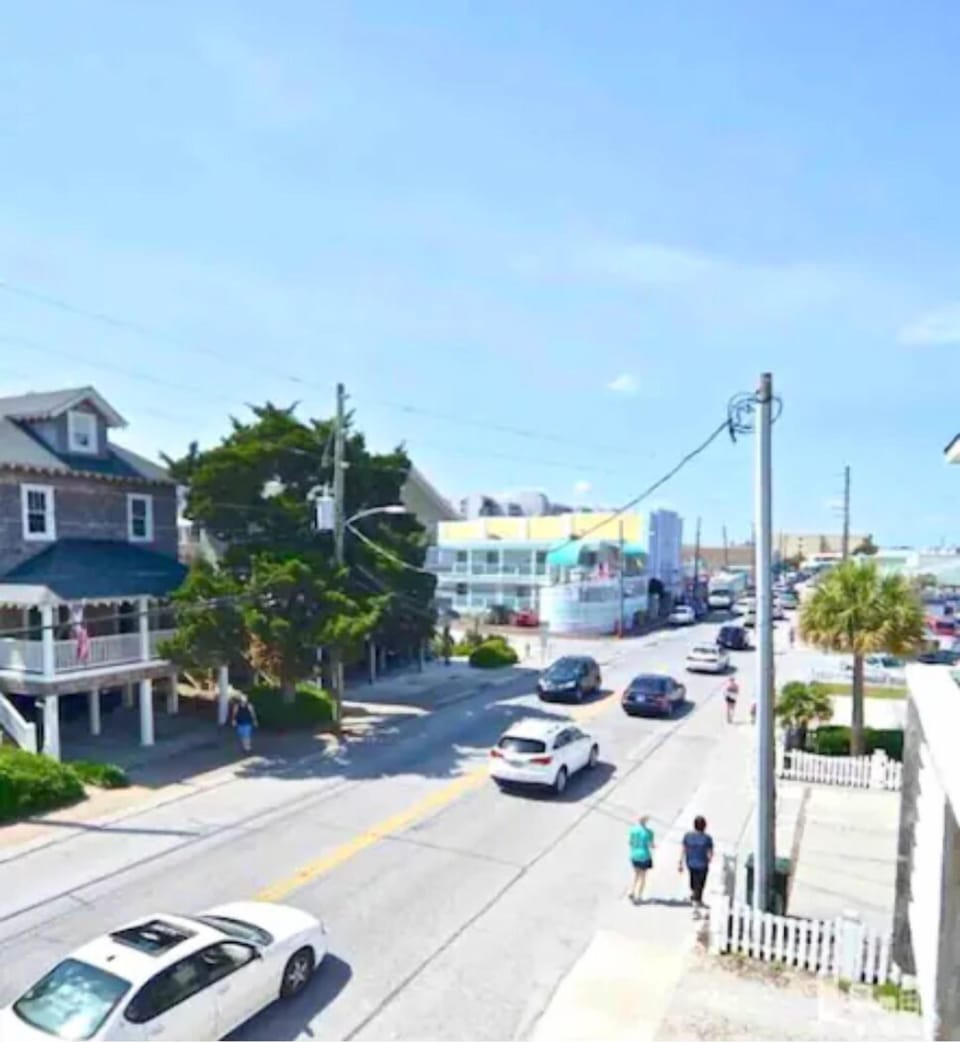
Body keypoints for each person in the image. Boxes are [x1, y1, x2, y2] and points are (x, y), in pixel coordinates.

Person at [678, 815, 714, 917]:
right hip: (702, 863)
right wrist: (710, 859)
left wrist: (680, 862)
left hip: (691, 863)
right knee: (700, 884)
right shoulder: (707, 838)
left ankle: (696, 899)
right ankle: (696, 905)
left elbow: (684, 849)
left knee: (694, 882)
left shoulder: (688, 836)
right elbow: (710, 852)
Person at [628, 815, 655, 904]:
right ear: (646, 821)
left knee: (636, 874)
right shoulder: (649, 832)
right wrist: (653, 846)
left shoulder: (633, 831)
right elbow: (651, 844)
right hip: (644, 855)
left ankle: (632, 891)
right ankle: (639, 895)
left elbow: (630, 842)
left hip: (634, 854)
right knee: (643, 877)